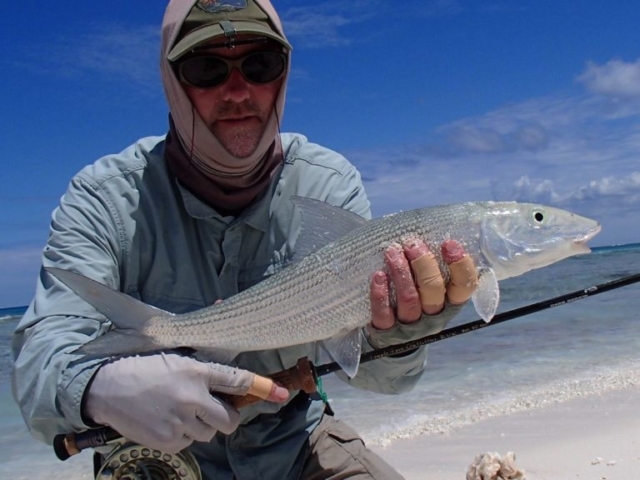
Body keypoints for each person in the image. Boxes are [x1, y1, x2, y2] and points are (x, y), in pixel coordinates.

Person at [11, 1, 478, 478]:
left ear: (285, 73)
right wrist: (98, 388)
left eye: (260, 64)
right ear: (172, 80)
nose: (238, 91)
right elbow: (40, 359)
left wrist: (401, 330)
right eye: (206, 68)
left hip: (296, 446)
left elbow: (383, 379)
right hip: (156, 462)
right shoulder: (106, 198)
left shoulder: (328, 186)